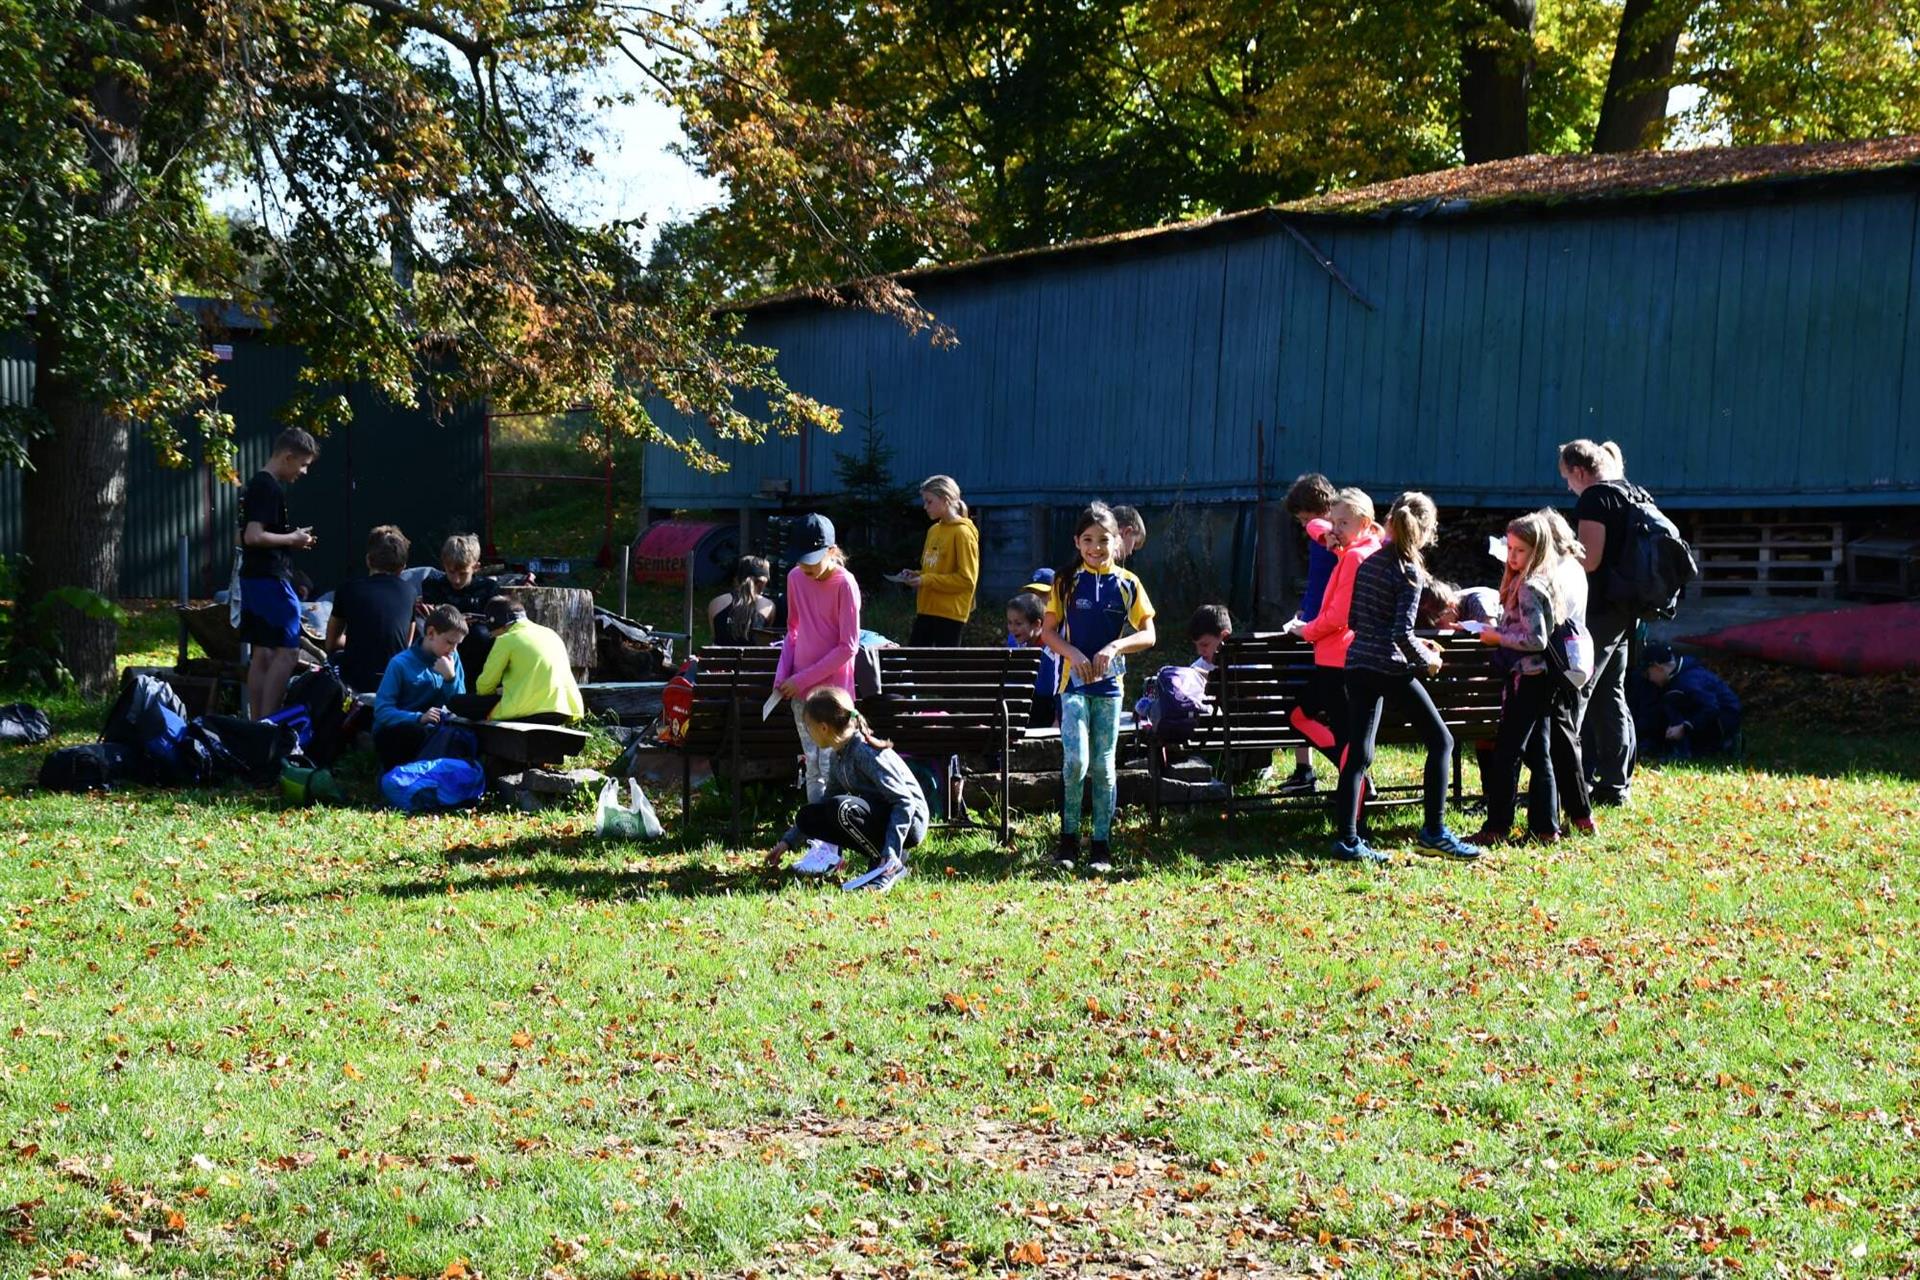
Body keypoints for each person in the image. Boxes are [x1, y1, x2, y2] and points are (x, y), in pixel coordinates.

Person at [1335, 492, 1479, 864]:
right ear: (1427, 530)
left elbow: (1354, 622)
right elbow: (1401, 634)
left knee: (1359, 755)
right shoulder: (1409, 571)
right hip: (1388, 666)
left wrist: (1408, 644)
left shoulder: (1369, 563)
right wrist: (1427, 660)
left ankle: (1347, 841)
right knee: (1442, 741)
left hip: (1358, 664)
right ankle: (1434, 831)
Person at [1043, 502, 1157, 873]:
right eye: (1088, 540)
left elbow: (1149, 634)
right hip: (1072, 687)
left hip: (1109, 690)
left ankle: (1101, 847)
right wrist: (1072, 653)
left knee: (1105, 768)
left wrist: (1114, 647)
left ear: (1117, 542)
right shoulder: (1065, 582)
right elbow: (1047, 632)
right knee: (1076, 762)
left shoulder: (1129, 583)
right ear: (1077, 542)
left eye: (1104, 540)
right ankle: (1068, 841)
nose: (1096, 547)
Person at [1468, 512, 1572, 847]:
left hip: (1527, 678)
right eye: (1509, 548)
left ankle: (1497, 826)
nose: (1512, 556)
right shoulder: (1541, 580)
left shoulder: (1528, 587)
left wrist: (1497, 638)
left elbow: (1536, 640)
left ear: (1537, 550)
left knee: (1507, 753)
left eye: (1520, 550)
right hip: (1537, 679)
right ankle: (1546, 827)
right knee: (1539, 754)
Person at [766, 685, 928, 892]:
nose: (808, 732)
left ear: (823, 728)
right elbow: (825, 802)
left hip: (910, 823)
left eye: (809, 727)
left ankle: (888, 865)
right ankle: (882, 862)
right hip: (883, 817)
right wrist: (787, 842)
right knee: (810, 815)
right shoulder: (838, 755)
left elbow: (904, 801)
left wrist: (891, 850)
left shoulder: (864, 752)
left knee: (841, 808)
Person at [1559, 438, 1641, 806]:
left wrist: (1558, 557)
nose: (1568, 487)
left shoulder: (1595, 498)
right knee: (1612, 690)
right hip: (1629, 607)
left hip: (1602, 608)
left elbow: (1589, 560)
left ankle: (1568, 777)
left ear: (1579, 471)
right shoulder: (1633, 492)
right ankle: (1613, 781)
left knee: (1581, 684)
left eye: (1567, 478)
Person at [1284, 487, 1381, 795]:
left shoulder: (1353, 557)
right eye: (1334, 522)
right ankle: (1357, 787)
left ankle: (1358, 793)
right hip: (1352, 657)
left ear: (1363, 523)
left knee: (1304, 718)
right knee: (1345, 734)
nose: (1335, 529)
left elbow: (1339, 615)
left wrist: (1306, 631)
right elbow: (1315, 525)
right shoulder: (1370, 549)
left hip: (1335, 659)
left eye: (1343, 524)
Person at [773, 514, 862, 804]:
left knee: (832, 766)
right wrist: (783, 675)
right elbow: (792, 631)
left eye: (812, 559)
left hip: (834, 694)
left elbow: (848, 646)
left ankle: (838, 831)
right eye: (800, 559)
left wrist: (801, 678)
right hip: (801, 692)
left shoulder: (845, 584)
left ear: (831, 551)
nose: (805, 566)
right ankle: (818, 835)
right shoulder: (795, 578)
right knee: (812, 764)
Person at [237, 428, 320, 718]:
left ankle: (256, 723)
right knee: (287, 651)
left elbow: (244, 537)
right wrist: (292, 540)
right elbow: (252, 536)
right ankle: (269, 722)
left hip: (252, 577)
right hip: (270, 579)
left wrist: (291, 538)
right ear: (287, 456)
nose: (304, 471)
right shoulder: (268, 488)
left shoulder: (254, 485)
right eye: (303, 464)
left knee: (263, 652)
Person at [1277, 473, 1339, 793]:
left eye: (1304, 519)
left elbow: (1321, 590)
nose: (1304, 527)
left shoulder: (1325, 537)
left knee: (1296, 699)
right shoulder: (1346, 536)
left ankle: (1309, 769)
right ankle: (1306, 769)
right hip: (1326, 631)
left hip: (1321, 640)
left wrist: (1305, 621)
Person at [372, 605, 469, 769]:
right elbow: (382, 711)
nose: (453, 650)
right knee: (415, 734)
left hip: (435, 728)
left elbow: (460, 705)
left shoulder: (452, 659)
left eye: (458, 645)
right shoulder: (400, 663)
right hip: (400, 730)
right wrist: (418, 718)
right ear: (431, 633)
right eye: (450, 642)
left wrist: (450, 679)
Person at [327, 525, 419, 695]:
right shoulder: (410, 592)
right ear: (402, 567)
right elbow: (405, 646)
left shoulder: (347, 589)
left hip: (356, 681)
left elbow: (331, 643)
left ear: (368, 560)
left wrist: (360, 638)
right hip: (395, 681)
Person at [471, 596, 584, 723]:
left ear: (496, 623)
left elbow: (485, 685)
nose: (493, 636)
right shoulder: (551, 633)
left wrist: (494, 694)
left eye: (492, 632)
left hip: (526, 710)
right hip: (562, 710)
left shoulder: (507, 639)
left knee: (458, 702)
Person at [901, 475, 979, 646]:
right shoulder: (933, 531)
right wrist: (916, 575)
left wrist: (926, 579)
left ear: (945, 500)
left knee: (942, 670)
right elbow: (934, 572)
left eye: (929, 501)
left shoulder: (963, 533)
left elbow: (967, 580)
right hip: (926, 609)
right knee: (914, 666)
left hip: (950, 615)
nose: (925, 507)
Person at [1642, 643, 1742, 758]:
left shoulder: (1688, 681)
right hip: (1712, 715)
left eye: (1647, 673)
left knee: (1673, 700)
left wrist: (1684, 727)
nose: (1649, 679)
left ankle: (1722, 745)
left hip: (1724, 720)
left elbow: (1712, 708)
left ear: (1657, 667)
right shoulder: (1678, 675)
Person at [419, 533, 501, 669]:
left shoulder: (487, 589)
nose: (456, 580)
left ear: (476, 567)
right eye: (451, 572)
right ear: (444, 566)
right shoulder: (433, 585)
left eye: (463, 574)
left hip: (477, 655)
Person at [1006, 592, 1062, 730]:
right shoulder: (1014, 642)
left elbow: (1060, 686)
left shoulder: (1051, 649)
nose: (1012, 628)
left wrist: (1058, 717)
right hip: (1023, 706)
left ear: (1037, 624)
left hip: (1046, 707)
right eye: (1009, 622)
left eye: (1018, 623)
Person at [708, 555, 776, 645]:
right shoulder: (768, 606)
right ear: (763, 582)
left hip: (720, 658)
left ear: (738, 577)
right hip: (754, 659)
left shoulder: (716, 603)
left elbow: (715, 637)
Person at [1188, 604, 1232, 672]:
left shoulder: (1246, 661)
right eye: (1196, 646)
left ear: (1224, 637)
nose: (1199, 652)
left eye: (1205, 645)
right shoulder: (1197, 669)